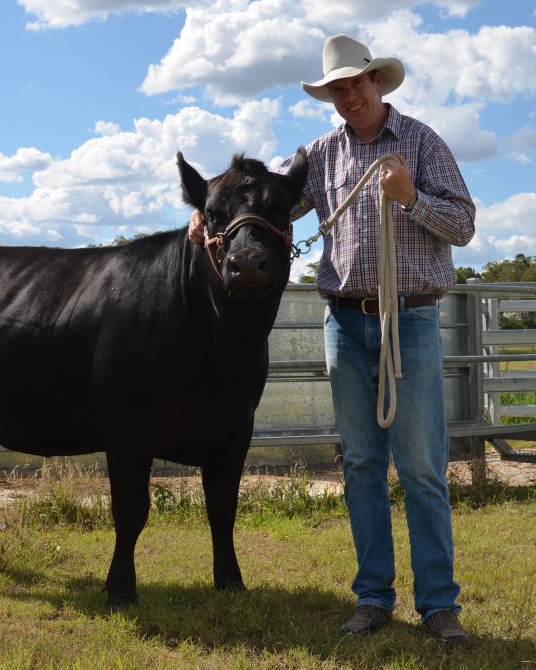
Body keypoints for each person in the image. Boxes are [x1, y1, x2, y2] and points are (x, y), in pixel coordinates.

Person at [188, 34, 476, 641]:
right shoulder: (318, 156)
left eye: (356, 85)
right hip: (345, 321)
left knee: (421, 468)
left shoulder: (423, 143)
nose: (349, 97)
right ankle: (373, 597)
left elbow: (466, 224)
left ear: (378, 83)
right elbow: (264, 203)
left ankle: (438, 605)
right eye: (337, 90)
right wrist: (209, 210)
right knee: (362, 465)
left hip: (413, 320)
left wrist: (412, 197)